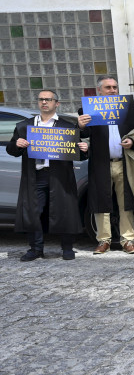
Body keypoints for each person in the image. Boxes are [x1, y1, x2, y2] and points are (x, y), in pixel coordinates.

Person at [7, 90, 89, 260]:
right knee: (33, 212)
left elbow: (74, 153)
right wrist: (17, 144)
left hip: (60, 175)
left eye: (48, 99)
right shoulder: (24, 126)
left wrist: (84, 150)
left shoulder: (66, 127)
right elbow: (12, 150)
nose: (44, 102)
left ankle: (67, 248)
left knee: (64, 210)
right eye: (41, 99)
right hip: (35, 176)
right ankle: (36, 249)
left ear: (56, 103)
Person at [78, 75, 134, 255]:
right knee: (100, 202)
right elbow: (83, 136)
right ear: (99, 91)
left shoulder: (130, 110)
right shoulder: (87, 110)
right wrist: (79, 126)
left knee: (126, 202)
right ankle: (103, 240)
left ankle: (128, 240)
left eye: (115, 87)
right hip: (100, 165)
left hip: (124, 163)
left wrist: (132, 142)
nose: (112, 90)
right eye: (108, 87)